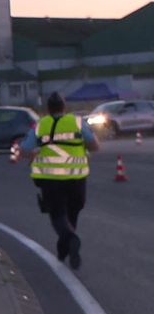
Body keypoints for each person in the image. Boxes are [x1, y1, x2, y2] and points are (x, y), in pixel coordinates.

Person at [19, 92, 99, 270]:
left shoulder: (40, 126)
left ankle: (70, 240)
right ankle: (65, 248)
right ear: (64, 107)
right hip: (76, 178)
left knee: (57, 215)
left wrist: (35, 153)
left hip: (50, 179)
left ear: (48, 109)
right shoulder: (77, 123)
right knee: (72, 212)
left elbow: (24, 150)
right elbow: (95, 145)